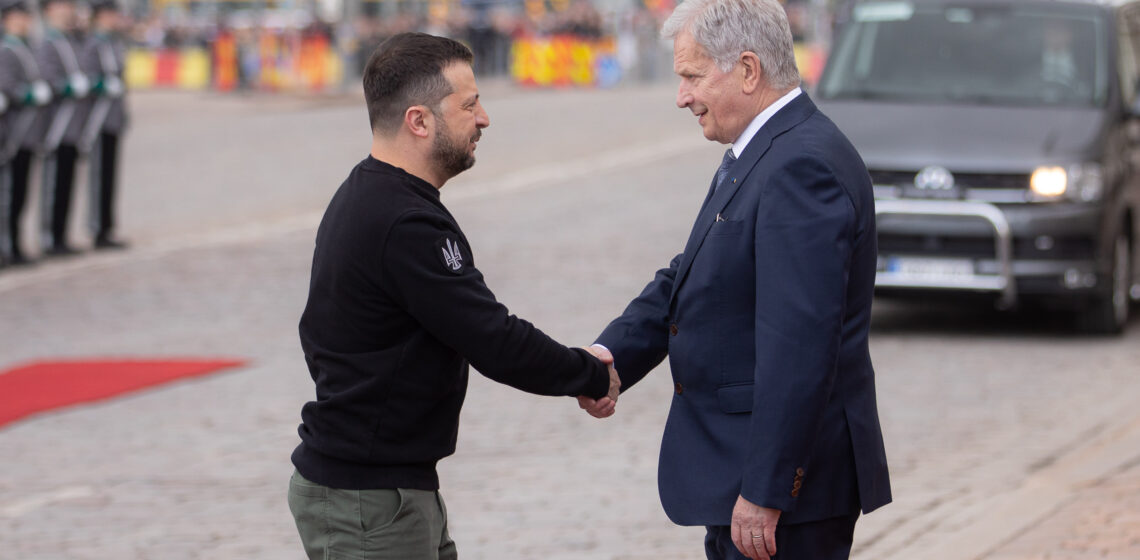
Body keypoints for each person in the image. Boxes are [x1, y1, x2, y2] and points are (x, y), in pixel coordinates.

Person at [287, 32, 620, 560]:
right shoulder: (402, 220)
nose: (484, 118)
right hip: (370, 502)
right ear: (419, 121)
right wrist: (589, 373)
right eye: (469, 105)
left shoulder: (373, 193)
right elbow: (492, 338)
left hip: (390, 487)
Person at [578, 0, 892, 558]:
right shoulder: (765, 149)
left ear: (748, 71)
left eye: (693, 76)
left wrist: (767, 490)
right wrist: (611, 355)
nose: (682, 96)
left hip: (783, 498)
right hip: (744, 476)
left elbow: (800, 346)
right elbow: (696, 269)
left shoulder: (800, 166)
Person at [34, 0, 89, 256]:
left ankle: (61, 235)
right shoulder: (47, 42)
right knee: (53, 183)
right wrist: (64, 86)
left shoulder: (71, 40)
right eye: (61, 4)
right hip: (56, 125)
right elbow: (47, 77)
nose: (67, 9)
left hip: (73, 126)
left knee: (67, 183)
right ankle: (49, 237)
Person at [0, 0, 48, 266]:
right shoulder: (7, 49)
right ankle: (8, 247)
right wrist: (26, 94)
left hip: (27, 134)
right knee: (9, 195)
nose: (22, 21)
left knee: (20, 193)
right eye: (16, 17)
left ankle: (14, 246)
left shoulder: (24, 47)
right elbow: (7, 87)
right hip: (13, 134)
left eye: (24, 17)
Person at [79, 0, 127, 249]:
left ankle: (107, 226)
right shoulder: (93, 43)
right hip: (97, 119)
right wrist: (100, 85)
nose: (114, 18)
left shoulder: (113, 42)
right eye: (109, 14)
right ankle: (97, 228)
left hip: (113, 119)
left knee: (109, 176)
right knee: (99, 176)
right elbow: (86, 78)